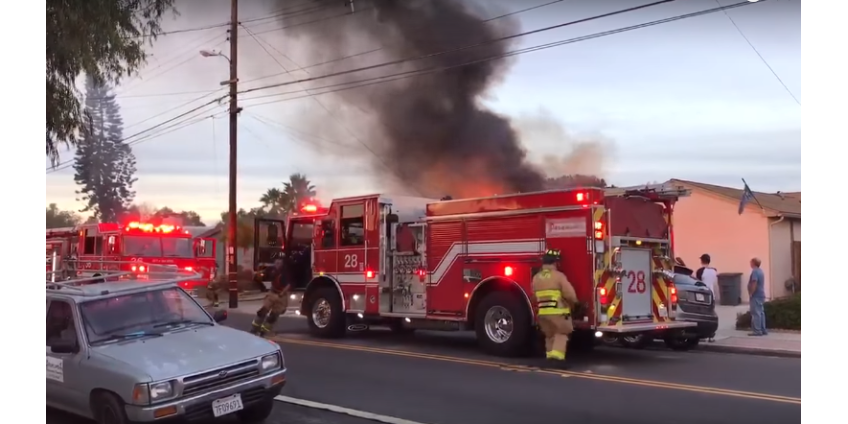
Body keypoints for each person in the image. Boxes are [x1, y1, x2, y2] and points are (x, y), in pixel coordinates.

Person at [531, 249, 578, 366]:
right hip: (558, 312)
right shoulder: (559, 276)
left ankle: (550, 357)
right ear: (555, 263)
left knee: (549, 335)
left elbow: (533, 296)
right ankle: (557, 359)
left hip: (543, 313)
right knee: (561, 334)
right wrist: (576, 304)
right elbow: (569, 294)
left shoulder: (536, 278)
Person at [250, 257, 291, 337]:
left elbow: (288, 285)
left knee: (273, 316)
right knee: (263, 311)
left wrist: (282, 293)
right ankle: (254, 330)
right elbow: (262, 276)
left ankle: (264, 332)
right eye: (276, 263)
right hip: (272, 293)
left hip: (281, 297)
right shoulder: (271, 270)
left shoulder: (285, 273)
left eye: (279, 263)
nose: (277, 265)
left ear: (282, 264)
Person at [747, 257, 768, 336]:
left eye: (751, 262)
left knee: (756, 313)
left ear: (753, 263)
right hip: (761, 294)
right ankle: (763, 329)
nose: (750, 264)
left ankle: (757, 330)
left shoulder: (755, 272)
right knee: (761, 312)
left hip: (756, 295)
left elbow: (754, 282)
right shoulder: (760, 271)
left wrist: (751, 293)